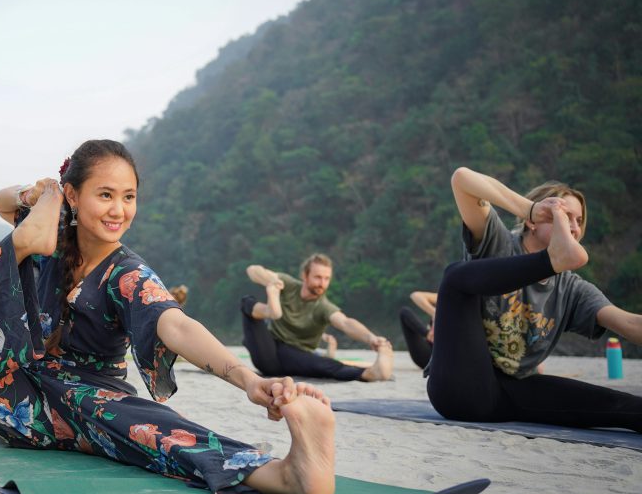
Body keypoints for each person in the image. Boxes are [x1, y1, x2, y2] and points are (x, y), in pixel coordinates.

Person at [0, 139, 337, 494]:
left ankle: (286, 475)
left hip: (88, 403)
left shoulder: (128, 274)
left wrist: (248, 379)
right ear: (72, 195)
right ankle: (20, 244)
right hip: (17, 400)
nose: (119, 210)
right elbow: (1, 201)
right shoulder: (52, 233)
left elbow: (176, 326)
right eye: (105, 195)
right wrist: (38, 193)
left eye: (129, 197)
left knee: (143, 429)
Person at [426, 167, 642, 431]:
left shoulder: (572, 289)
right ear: (533, 221)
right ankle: (549, 260)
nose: (573, 228)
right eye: (564, 217)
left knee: (626, 406)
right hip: (461, 388)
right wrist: (530, 208)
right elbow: (461, 179)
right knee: (454, 278)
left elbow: (631, 324)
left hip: (512, 394)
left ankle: (551, 261)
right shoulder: (499, 244)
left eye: (579, 221)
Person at [241, 255, 394, 382]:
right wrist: (271, 281)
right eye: (318, 277)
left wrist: (371, 338)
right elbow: (253, 270)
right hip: (267, 349)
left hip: (296, 357)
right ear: (305, 276)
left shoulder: (324, 307)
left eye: (326, 279)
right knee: (247, 301)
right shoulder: (288, 285)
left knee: (327, 365)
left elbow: (346, 323)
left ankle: (370, 373)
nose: (322, 283)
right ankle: (270, 310)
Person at [399, 291, 436, 369]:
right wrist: (435, 313)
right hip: (428, 353)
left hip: (448, 354)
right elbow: (415, 295)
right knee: (405, 312)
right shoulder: (446, 296)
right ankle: (427, 334)